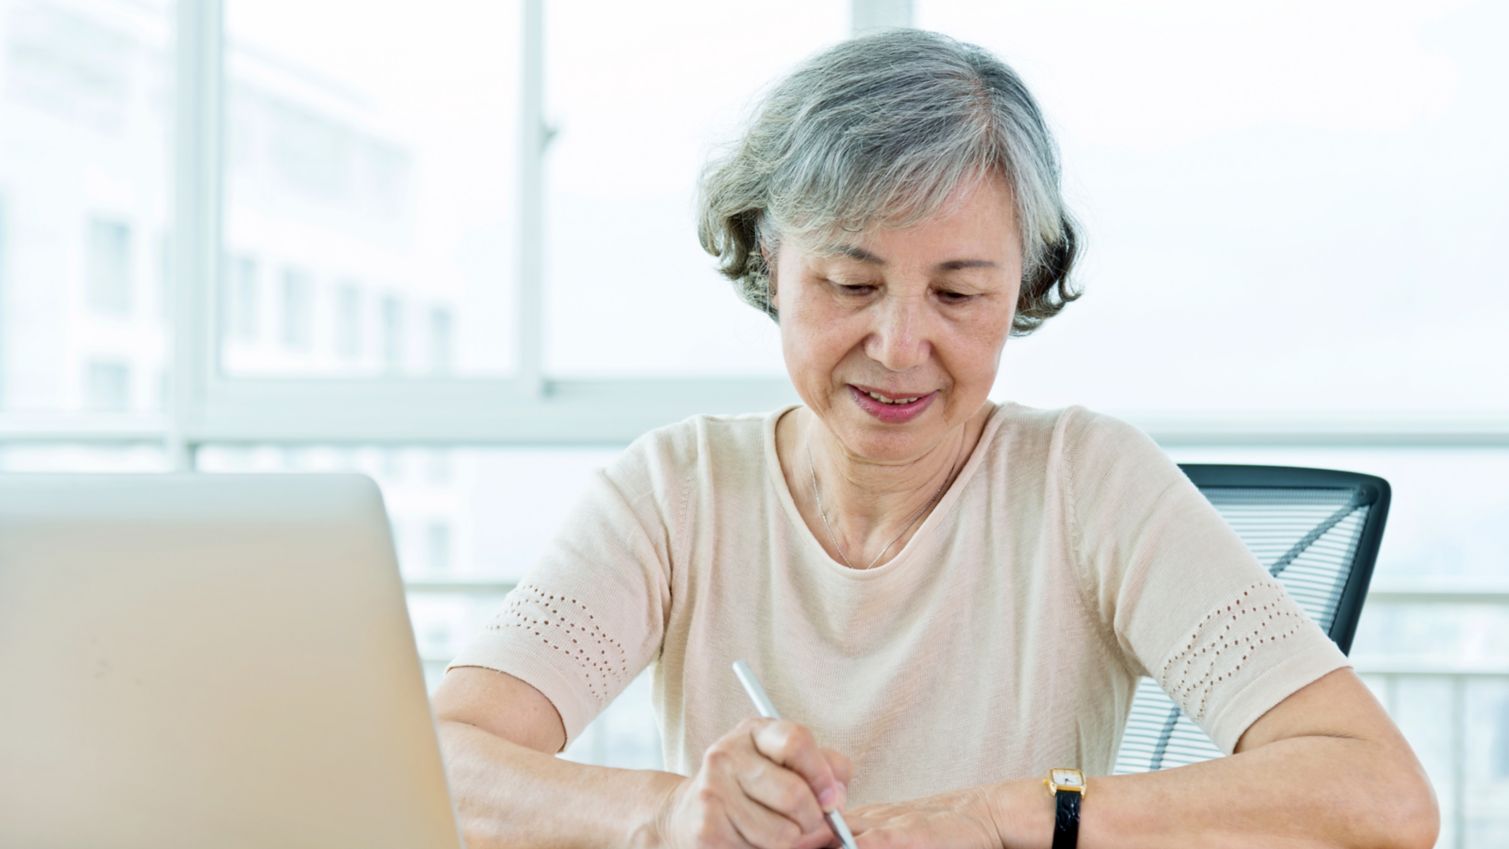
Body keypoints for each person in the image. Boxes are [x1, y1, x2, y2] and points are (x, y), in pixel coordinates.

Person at [431, 28, 1437, 849]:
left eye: (959, 291)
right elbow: (439, 762)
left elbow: (1381, 797)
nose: (901, 345)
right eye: (850, 284)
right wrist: (663, 815)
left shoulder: (1090, 484)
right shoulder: (676, 491)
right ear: (770, 263)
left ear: (1026, 286)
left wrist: (1011, 816)